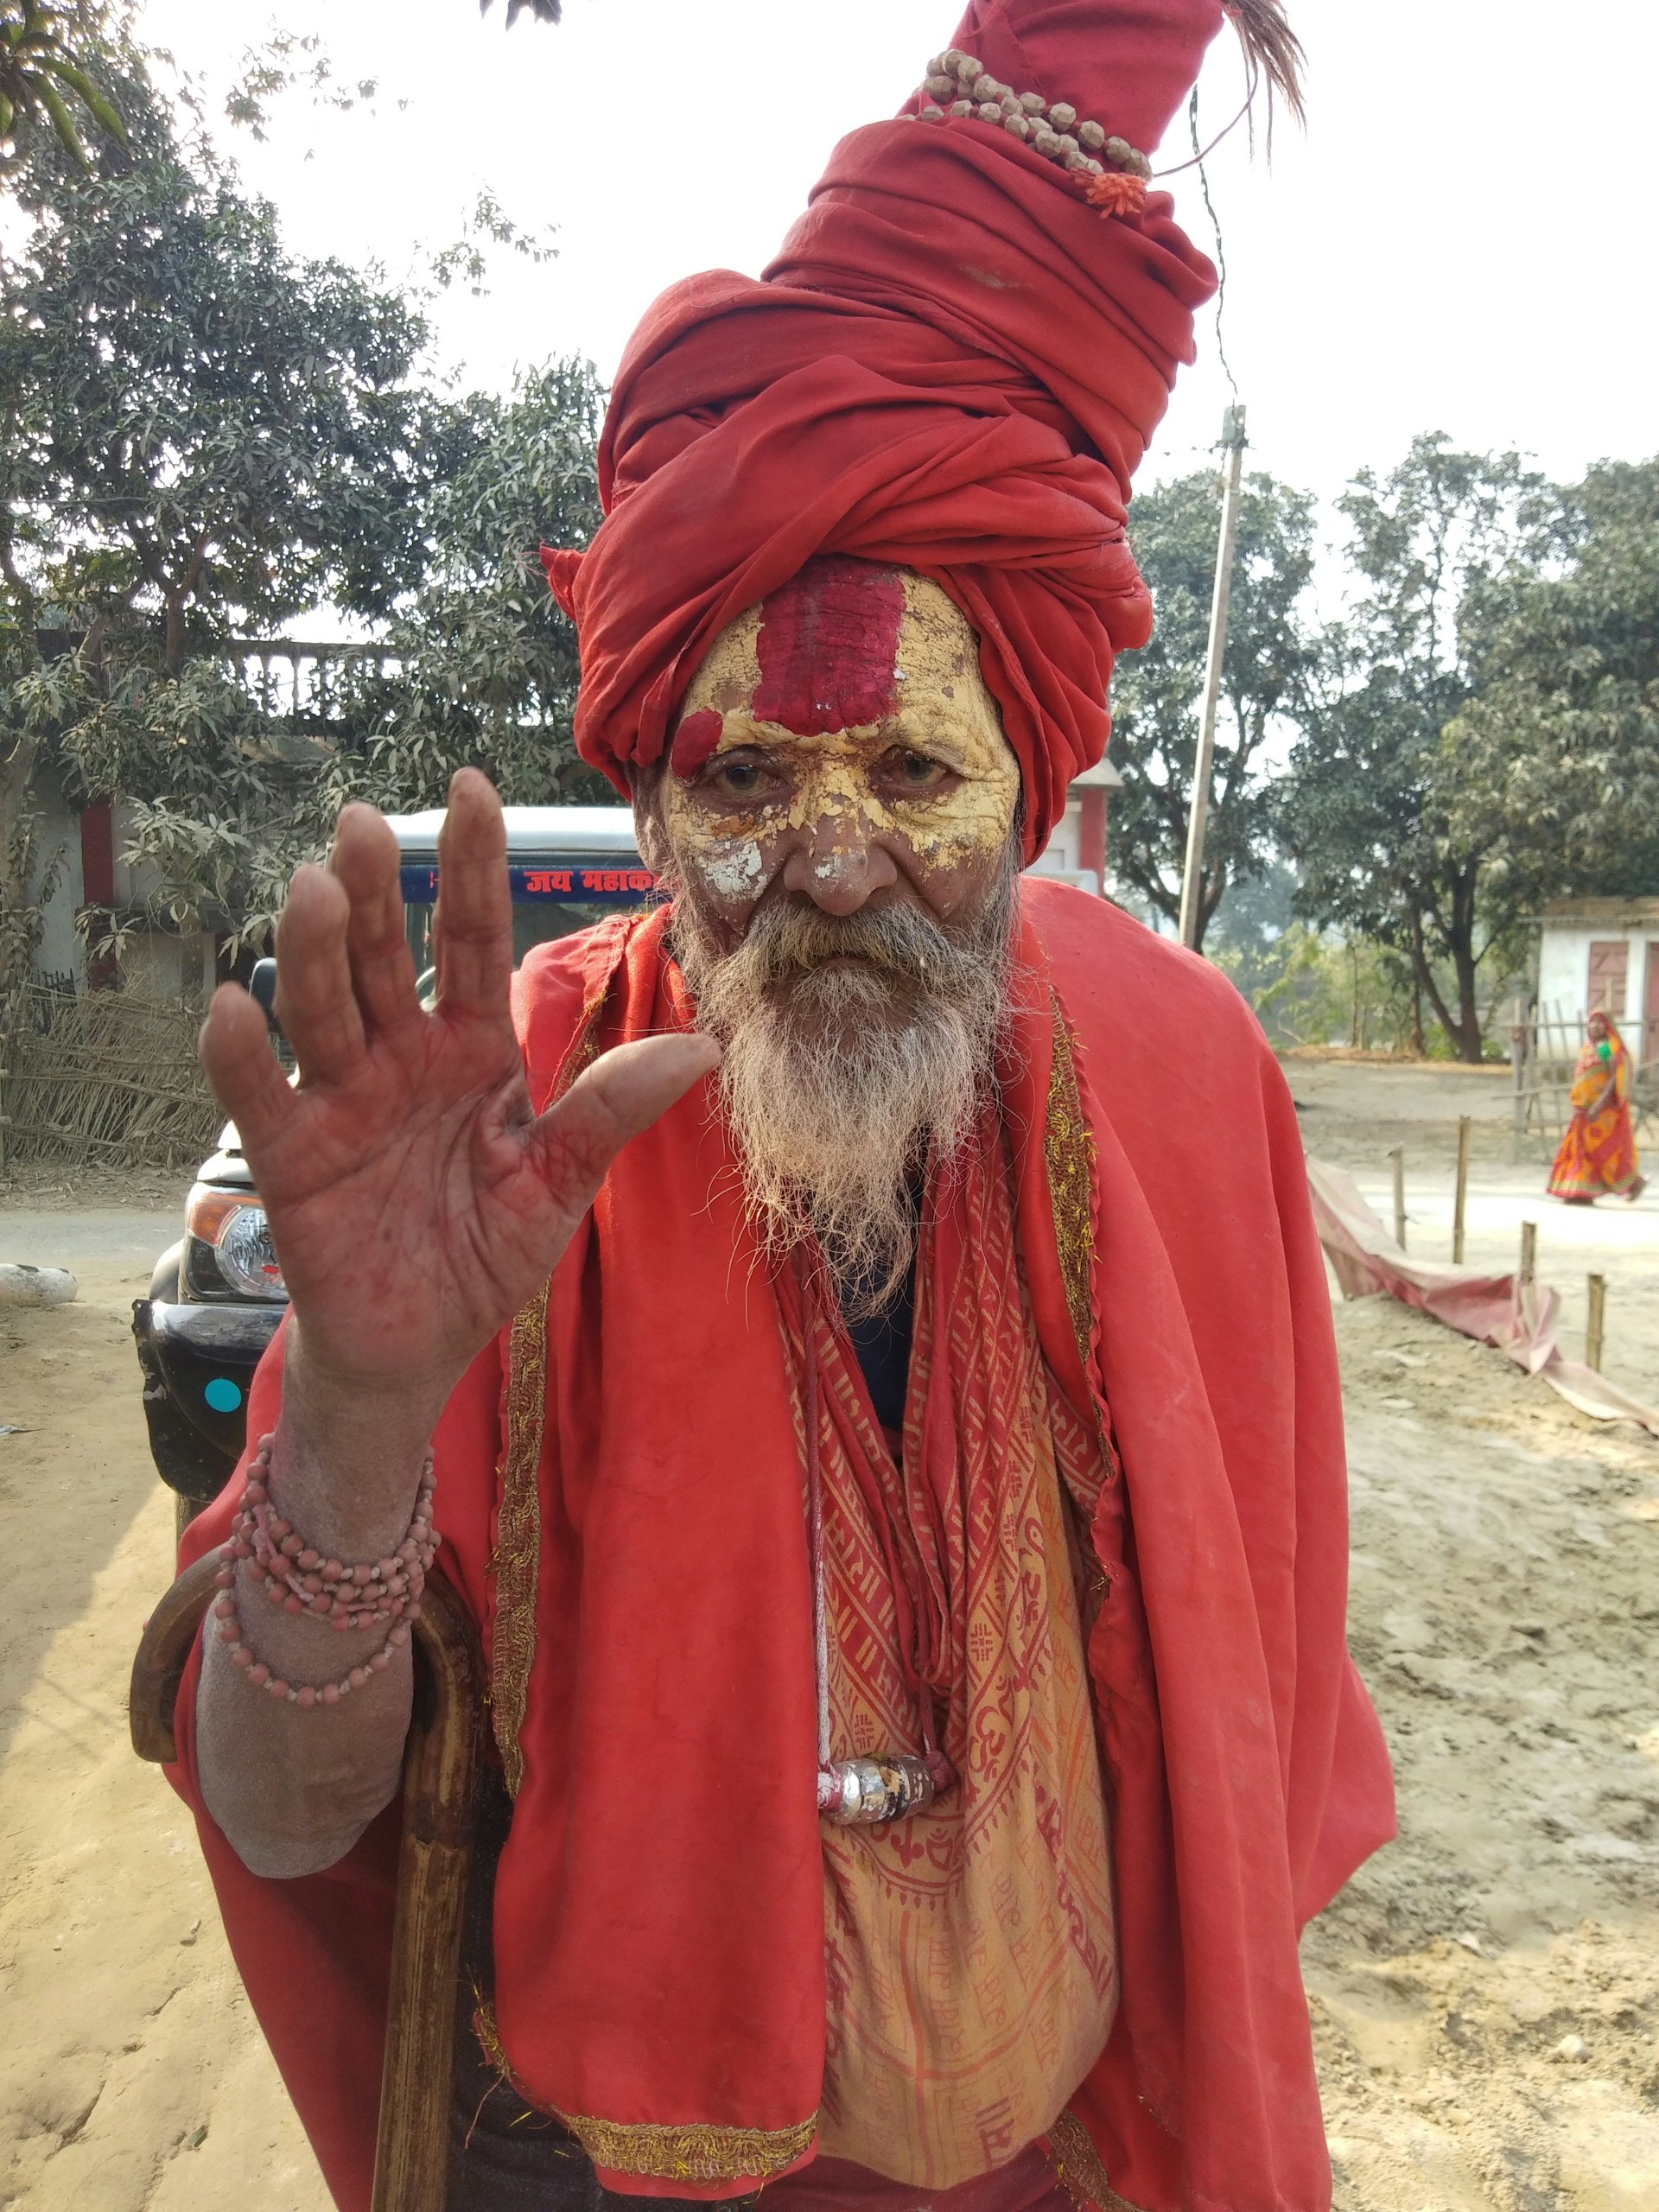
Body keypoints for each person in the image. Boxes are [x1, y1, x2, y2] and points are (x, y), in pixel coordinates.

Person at [162, 6, 1395, 2212]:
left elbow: (1252, 1744)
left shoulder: (1189, 1078)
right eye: (744, 779)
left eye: (911, 773)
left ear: (1032, 780)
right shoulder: (517, 1107)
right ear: (651, 791)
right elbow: (278, 1816)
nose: (830, 864)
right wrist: (353, 1403)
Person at [1548, 1008, 1647, 1205]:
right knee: (1580, 1150)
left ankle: (1631, 1182)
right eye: (1592, 1022)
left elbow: (1613, 1078)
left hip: (1599, 1111)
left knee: (1601, 1151)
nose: (1595, 1026)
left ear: (1608, 1026)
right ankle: (1579, 1191)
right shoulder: (1587, 1048)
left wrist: (1598, 1104)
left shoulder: (1605, 1048)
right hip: (1582, 1109)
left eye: (1600, 1022)